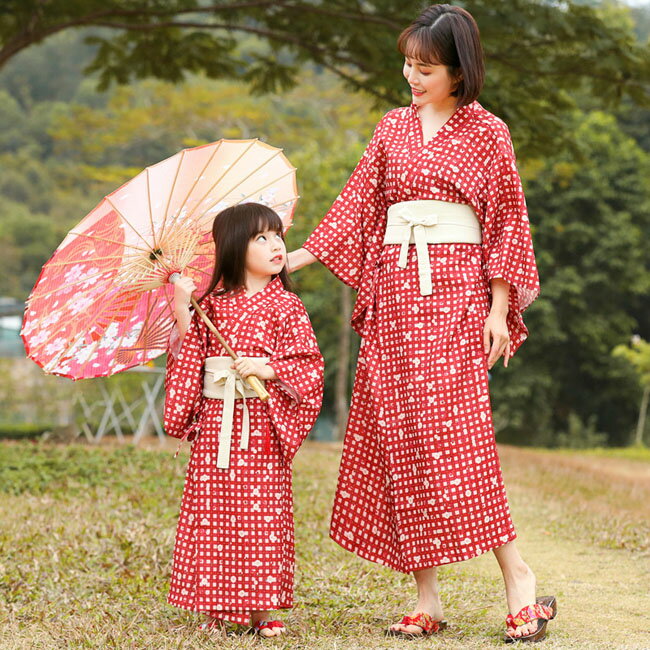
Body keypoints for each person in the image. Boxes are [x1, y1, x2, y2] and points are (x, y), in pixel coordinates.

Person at [288, 4, 556, 644]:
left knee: (457, 440)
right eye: (408, 64)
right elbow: (355, 206)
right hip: (394, 298)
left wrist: (498, 310)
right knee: (400, 439)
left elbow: (507, 224)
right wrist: (288, 258)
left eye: (426, 67)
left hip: (457, 295)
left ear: (459, 71)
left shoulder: (488, 132)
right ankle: (427, 597)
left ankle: (517, 577)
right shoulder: (390, 128)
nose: (412, 75)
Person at [164, 202, 324, 637]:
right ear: (235, 247)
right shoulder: (211, 304)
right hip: (218, 420)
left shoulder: (287, 305)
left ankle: (262, 607)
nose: (277, 245)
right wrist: (183, 305)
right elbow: (190, 353)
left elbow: (309, 365)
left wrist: (268, 368)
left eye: (277, 236)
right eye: (261, 238)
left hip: (262, 426)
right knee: (214, 510)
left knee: (262, 513)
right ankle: (216, 605)